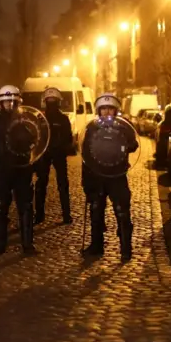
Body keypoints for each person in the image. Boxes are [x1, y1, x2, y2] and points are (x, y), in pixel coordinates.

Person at [82, 93, 138, 262]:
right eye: (104, 109)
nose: (107, 112)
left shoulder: (124, 127)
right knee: (96, 210)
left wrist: (123, 143)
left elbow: (134, 145)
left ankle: (126, 248)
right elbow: (86, 153)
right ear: (99, 110)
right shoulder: (92, 128)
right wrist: (86, 181)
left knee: (122, 212)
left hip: (117, 175)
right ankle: (96, 245)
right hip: (98, 175)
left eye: (110, 109)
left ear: (115, 110)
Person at [0, 85, 36, 255]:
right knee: (1, 207)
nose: (9, 105)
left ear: (18, 103)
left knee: (25, 206)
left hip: (22, 168)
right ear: (0, 104)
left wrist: (34, 163)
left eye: (12, 102)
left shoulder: (26, 121)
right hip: (2, 170)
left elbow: (36, 142)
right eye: (6, 102)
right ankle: (0, 243)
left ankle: (27, 243)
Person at [34, 87, 73, 225]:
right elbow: (36, 136)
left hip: (58, 154)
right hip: (45, 155)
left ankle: (66, 214)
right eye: (49, 100)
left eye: (53, 100)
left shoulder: (63, 119)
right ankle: (39, 214)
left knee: (62, 184)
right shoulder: (40, 118)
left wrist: (62, 146)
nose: (51, 103)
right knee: (41, 184)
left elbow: (69, 138)